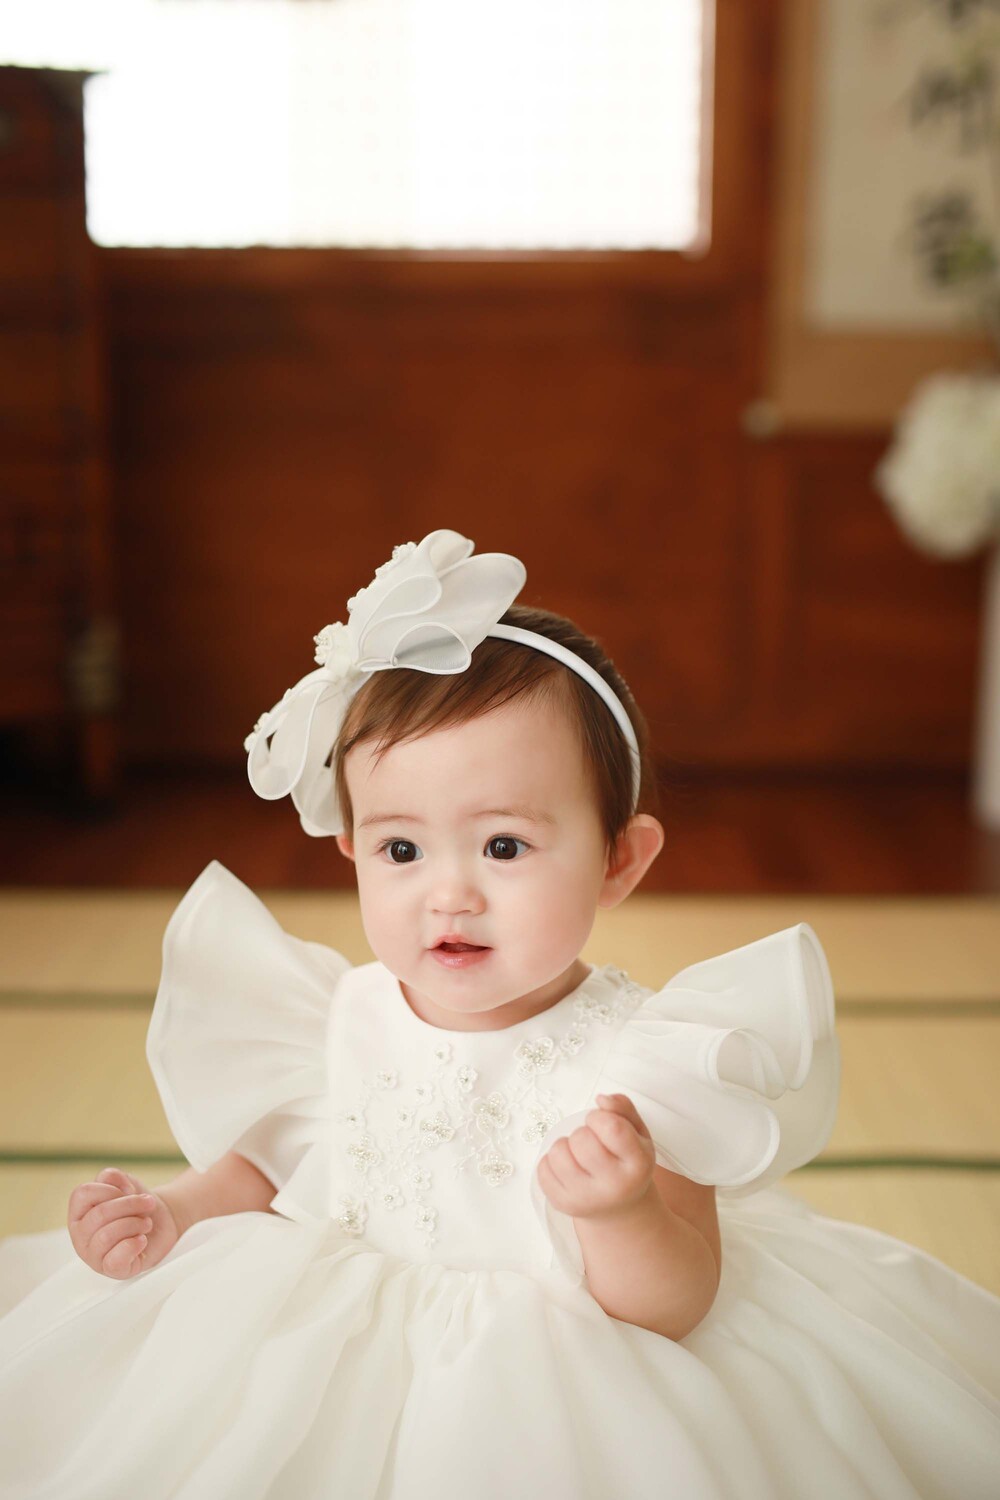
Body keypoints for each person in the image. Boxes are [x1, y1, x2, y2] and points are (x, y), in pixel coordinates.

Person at [0, 527, 998, 1500]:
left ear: (619, 860)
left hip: (565, 1384)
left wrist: (623, 1212)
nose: (450, 895)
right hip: (326, 1337)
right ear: (352, 852)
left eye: (504, 847)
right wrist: (174, 1211)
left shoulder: (650, 1065)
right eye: (401, 850)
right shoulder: (334, 1018)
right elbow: (268, 1169)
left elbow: (673, 1309)